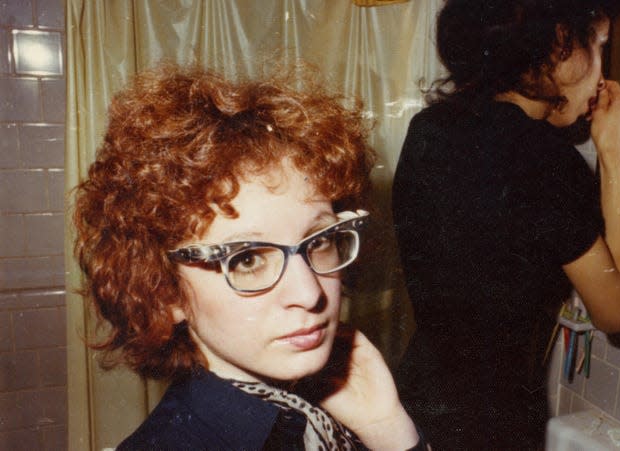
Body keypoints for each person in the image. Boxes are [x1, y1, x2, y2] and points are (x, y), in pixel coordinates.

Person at [73, 64, 426, 450]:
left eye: (317, 241)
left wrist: (387, 427)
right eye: (247, 260)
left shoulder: (317, 416)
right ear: (164, 292)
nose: (310, 295)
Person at [391, 0, 620, 448]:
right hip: (492, 421)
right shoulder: (547, 157)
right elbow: (617, 311)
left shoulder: (428, 129)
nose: (602, 77)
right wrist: (613, 156)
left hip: (414, 401)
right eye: (599, 45)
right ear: (561, 42)